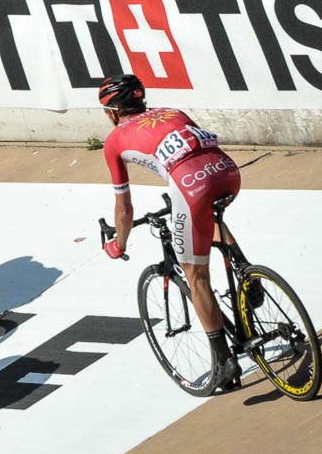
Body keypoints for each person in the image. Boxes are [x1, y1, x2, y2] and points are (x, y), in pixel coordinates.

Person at [97, 74, 244, 392]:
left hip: (192, 185)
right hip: (227, 171)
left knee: (196, 275)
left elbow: (124, 211)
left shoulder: (114, 142)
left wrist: (119, 244)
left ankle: (224, 362)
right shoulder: (172, 111)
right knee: (207, 218)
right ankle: (245, 275)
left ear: (112, 113)